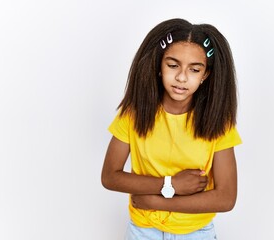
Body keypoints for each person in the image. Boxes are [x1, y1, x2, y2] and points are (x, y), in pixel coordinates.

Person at [101, 18, 242, 240]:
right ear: (159, 65)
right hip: (142, 232)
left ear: (205, 75)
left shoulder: (218, 123)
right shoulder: (133, 114)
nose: (182, 77)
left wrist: (157, 200)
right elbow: (110, 176)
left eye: (194, 69)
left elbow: (226, 198)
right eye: (173, 65)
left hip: (196, 234)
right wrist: (170, 184)